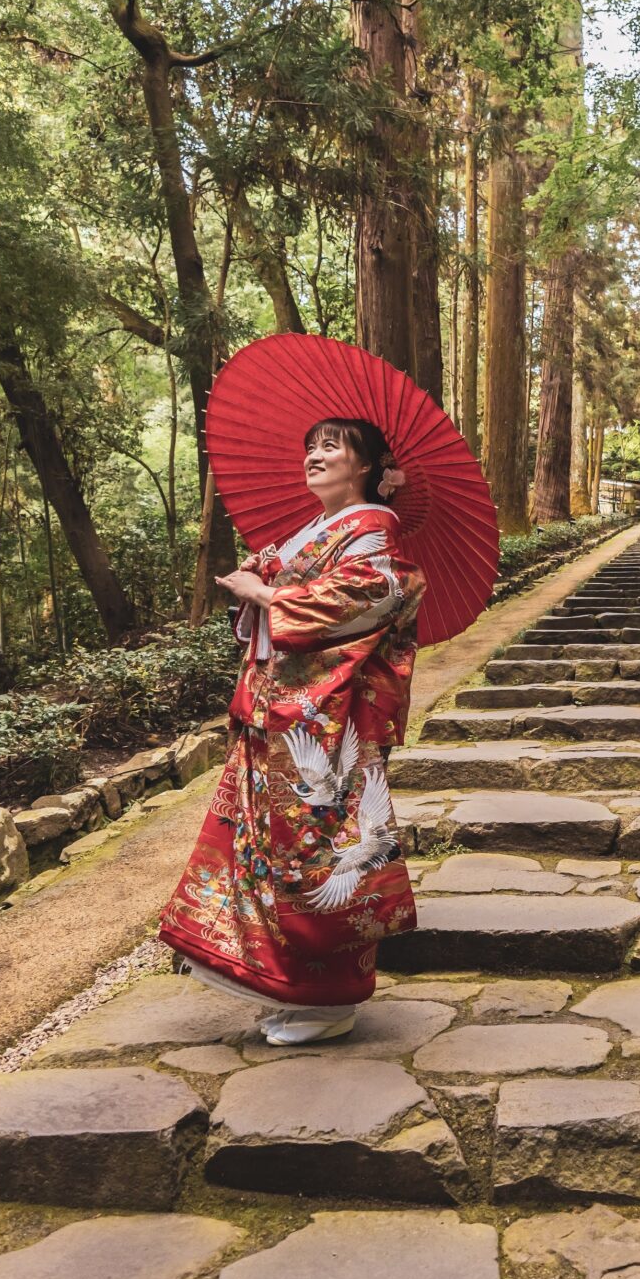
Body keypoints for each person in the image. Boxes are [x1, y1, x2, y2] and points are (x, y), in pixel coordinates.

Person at [156, 417, 424, 1045]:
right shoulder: (313, 531)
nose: (315, 456)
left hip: (324, 720)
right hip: (277, 705)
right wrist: (260, 591)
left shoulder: (373, 529)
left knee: (317, 844)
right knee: (264, 843)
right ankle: (285, 984)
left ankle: (327, 998)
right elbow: (289, 596)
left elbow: (368, 598)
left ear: (367, 467)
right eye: (310, 446)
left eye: (332, 446)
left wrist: (270, 596)